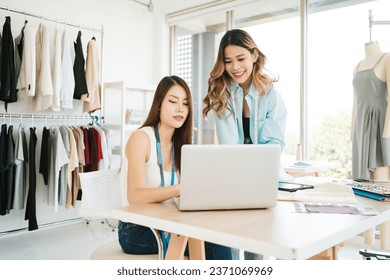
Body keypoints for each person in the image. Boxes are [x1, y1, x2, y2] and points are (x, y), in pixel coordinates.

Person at [118, 75, 233, 260]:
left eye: (185, 103)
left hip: (168, 221)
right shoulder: (141, 139)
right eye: (173, 101)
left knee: (216, 235)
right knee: (209, 240)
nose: (180, 108)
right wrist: (178, 189)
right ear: (158, 105)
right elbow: (135, 196)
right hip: (136, 229)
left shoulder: (181, 145)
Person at [202, 29, 288, 260]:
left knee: (257, 238)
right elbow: (229, 145)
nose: (235, 67)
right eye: (228, 61)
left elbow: (275, 143)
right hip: (234, 172)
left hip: (265, 174)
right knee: (229, 232)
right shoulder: (221, 93)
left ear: (254, 56)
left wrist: (258, 169)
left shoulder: (270, 93)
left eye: (241, 59)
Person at [352, 40, 390, 182]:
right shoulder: (357, 66)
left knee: (381, 180)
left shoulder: (387, 59)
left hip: (380, 124)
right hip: (361, 127)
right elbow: (355, 102)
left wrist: (386, 133)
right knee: (362, 182)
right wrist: (353, 132)